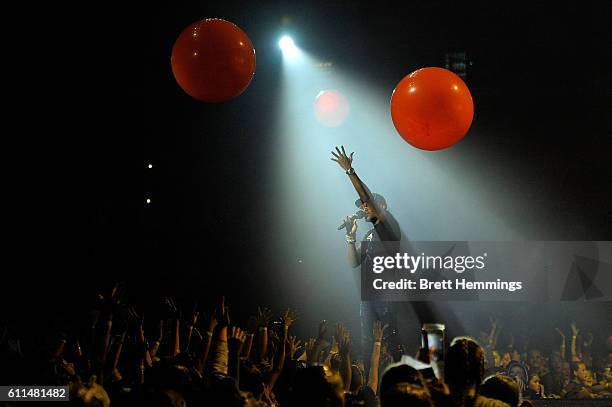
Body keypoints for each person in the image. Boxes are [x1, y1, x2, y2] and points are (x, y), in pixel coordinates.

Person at [331, 146, 402, 359]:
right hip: (368, 295)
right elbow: (354, 263)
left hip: (385, 293)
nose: (363, 207)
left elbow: (367, 197)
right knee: (368, 343)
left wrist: (350, 171)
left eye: (366, 204)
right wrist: (350, 238)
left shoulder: (389, 226)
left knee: (390, 340)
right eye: (361, 206)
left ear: (382, 206)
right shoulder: (369, 234)